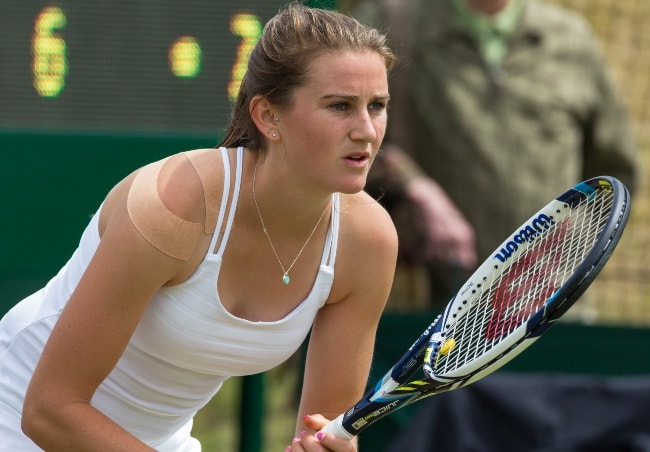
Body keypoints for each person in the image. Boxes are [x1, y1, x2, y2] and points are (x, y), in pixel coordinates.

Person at [0, 4, 398, 451]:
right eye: (340, 106)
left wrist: (327, 447)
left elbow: (322, 432)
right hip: (19, 417)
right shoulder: (171, 206)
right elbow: (49, 410)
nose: (366, 130)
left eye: (377, 106)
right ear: (268, 117)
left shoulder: (367, 243)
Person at [352, 0, 640, 310]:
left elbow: (615, 176)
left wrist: (567, 256)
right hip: (428, 306)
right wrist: (410, 184)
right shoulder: (389, 22)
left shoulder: (572, 39)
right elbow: (338, 141)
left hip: (552, 308)